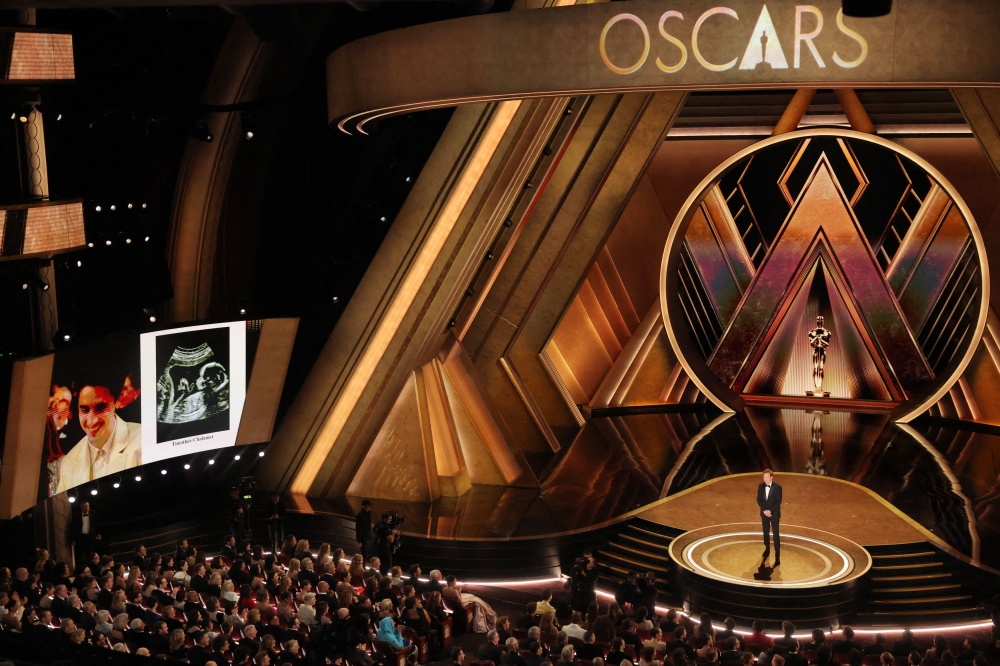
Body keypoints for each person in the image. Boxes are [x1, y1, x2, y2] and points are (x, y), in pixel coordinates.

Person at [55, 377, 142, 494]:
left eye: (100, 408)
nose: (91, 420)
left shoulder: (143, 441)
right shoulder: (68, 463)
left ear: (116, 402)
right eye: (85, 410)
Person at [757, 469, 782, 565]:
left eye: (767, 477)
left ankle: (777, 555)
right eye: (764, 477)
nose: (765, 479)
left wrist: (770, 511)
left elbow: (778, 502)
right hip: (764, 514)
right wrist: (765, 511)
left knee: (776, 534)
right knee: (765, 533)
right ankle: (767, 549)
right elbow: (759, 500)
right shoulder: (760, 486)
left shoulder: (778, 487)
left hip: (774, 514)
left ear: (771, 477)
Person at [69, 502, 103, 569]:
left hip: (90, 537)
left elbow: (97, 524)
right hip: (80, 537)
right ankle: (83, 568)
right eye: (85, 506)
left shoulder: (93, 514)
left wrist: (99, 534)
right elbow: (72, 528)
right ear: (81, 507)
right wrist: (72, 539)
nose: (87, 508)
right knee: (81, 555)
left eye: (88, 506)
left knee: (91, 553)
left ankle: (91, 568)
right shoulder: (76, 516)